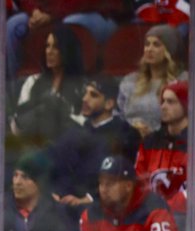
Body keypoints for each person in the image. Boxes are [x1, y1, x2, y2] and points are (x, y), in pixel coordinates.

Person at [5, 0, 135, 80]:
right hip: (54, 13)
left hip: (100, 15)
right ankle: (12, 90)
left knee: (68, 27)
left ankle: (69, 90)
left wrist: (52, 15)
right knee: (12, 25)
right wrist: (34, 11)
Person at [135, 81, 195, 231]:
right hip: (152, 214)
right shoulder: (150, 141)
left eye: (171, 102)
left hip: (193, 220)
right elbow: (138, 181)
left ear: (187, 106)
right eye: (163, 101)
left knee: (179, 223)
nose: (164, 106)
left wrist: (159, 212)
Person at [51, 73, 141, 214]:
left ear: (109, 104)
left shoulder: (124, 134)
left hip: (101, 208)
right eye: (85, 93)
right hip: (64, 205)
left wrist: (89, 198)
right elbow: (59, 168)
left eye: (93, 95)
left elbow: (123, 177)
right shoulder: (74, 132)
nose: (85, 99)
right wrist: (57, 192)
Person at [74, 153, 183, 231]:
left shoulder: (155, 209)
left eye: (110, 183)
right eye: (101, 182)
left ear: (128, 186)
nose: (103, 189)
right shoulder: (92, 213)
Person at [10, 22, 84, 144]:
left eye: (55, 47)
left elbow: (82, 124)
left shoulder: (82, 86)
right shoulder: (32, 81)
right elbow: (19, 121)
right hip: (33, 143)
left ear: (67, 50)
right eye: (47, 46)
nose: (49, 52)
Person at [118, 23, 186, 137]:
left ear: (169, 50)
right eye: (147, 44)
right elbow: (119, 116)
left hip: (167, 140)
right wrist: (133, 128)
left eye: (156, 45)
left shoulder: (182, 80)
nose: (149, 49)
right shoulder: (130, 81)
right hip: (131, 139)